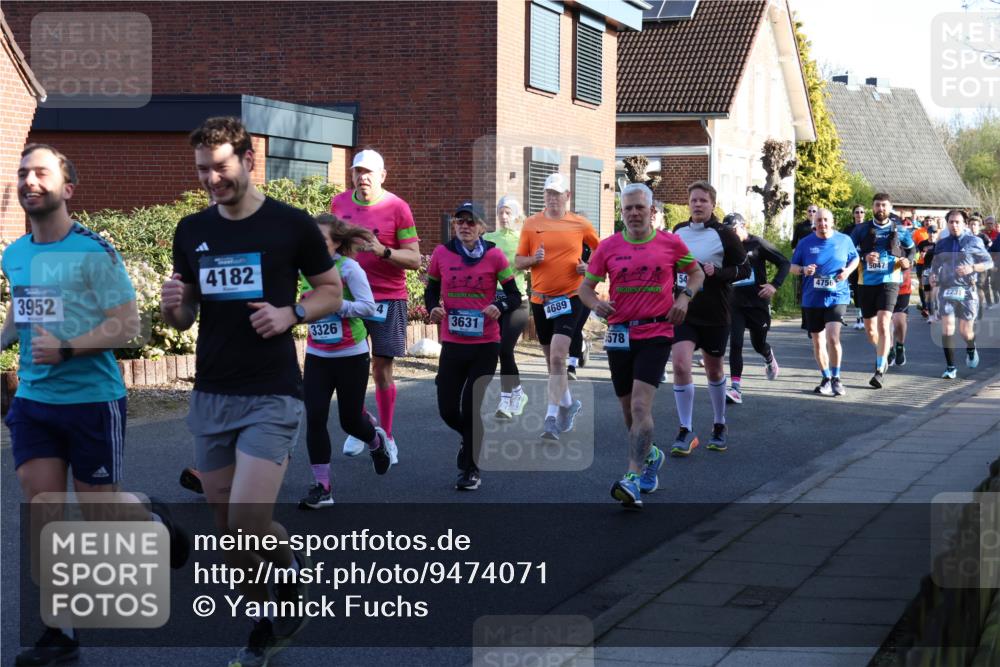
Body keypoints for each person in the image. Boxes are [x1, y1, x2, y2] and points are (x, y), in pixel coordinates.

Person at [161, 117, 344, 667]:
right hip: (213, 392)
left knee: (245, 525)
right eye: (202, 169)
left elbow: (330, 291)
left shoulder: (290, 226)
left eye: (220, 166)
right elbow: (188, 313)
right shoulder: (190, 230)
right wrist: (174, 305)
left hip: (272, 392)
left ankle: (271, 613)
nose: (211, 178)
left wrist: (291, 313)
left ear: (248, 160)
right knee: (234, 538)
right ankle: (275, 598)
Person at [3, 144, 189, 666]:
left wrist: (66, 348)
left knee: (101, 514)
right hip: (35, 402)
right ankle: (59, 631)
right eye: (22, 173)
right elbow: (22, 314)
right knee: (44, 510)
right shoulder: (15, 254)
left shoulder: (93, 252)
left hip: (91, 401)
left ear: (68, 189)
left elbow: (130, 326)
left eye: (41, 172)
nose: (28, 181)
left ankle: (153, 522)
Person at [580, 183, 703, 509]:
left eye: (640, 208)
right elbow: (585, 289)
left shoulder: (670, 243)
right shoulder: (608, 247)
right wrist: (594, 304)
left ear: (651, 212)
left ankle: (632, 478)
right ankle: (651, 456)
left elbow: (696, 274)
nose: (634, 213)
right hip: (620, 333)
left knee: (639, 407)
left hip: (656, 332)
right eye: (628, 208)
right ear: (622, 212)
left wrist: (684, 298)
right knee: (627, 412)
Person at [330, 149, 421, 462]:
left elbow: (414, 259)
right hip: (349, 297)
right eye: (358, 171)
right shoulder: (339, 203)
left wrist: (383, 251)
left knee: (381, 368)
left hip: (386, 297)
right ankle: (362, 427)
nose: (363, 177)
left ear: (382, 175)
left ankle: (388, 434)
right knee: (348, 368)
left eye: (369, 172)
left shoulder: (398, 207)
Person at [426, 201, 522, 489]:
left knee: (470, 406)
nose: (465, 226)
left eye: (471, 222)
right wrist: (432, 307)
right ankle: (472, 437)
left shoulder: (494, 256)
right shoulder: (442, 253)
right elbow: (431, 289)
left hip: (485, 344)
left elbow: (514, 295)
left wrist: (498, 305)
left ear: (482, 227)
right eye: (460, 221)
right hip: (453, 343)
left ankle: (471, 468)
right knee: (446, 409)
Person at [300, 214, 389, 510]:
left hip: (351, 355)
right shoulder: (304, 268)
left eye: (321, 240)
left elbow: (368, 306)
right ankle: (322, 487)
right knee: (314, 417)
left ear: (337, 242)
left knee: (349, 420)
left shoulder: (349, 268)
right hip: (317, 355)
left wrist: (337, 305)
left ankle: (375, 440)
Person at [515, 173, 599, 441]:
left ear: (567, 196)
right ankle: (569, 403)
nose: (552, 198)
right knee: (552, 361)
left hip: (571, 297)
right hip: (541, 300)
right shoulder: (531, 224)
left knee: (558, 357)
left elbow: (603, 251)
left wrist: (590, 268)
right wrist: (532, 259)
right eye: (548, 193)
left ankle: (551, 417)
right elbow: (517, 261)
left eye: (557, 194)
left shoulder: (579, 224)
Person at [668, 181, 749, 455]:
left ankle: (719, 424)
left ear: (712, 204)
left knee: (714, 370)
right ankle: (685, 429)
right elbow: (669, 266)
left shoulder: (725, 234)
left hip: (715, 312)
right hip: (684, 311)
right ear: (688, 203)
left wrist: (718, 273)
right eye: (694, 200)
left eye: (703, 200)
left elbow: (744, 270)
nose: (698, 204)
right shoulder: (678, 231)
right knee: (680, 364)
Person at [850, 193, 916, 389]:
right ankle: (885, 351)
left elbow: (912, 249)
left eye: (884, 206)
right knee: (871, 331)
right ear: (873, 207)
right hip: (867, 281)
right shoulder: (861, 229)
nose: (881, 209)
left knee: (884, 322)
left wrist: (908, 261)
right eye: (877, 205)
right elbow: (849, 250)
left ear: (890, 208)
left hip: (890, 280)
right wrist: (863, 257)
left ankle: (879, 370)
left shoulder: (899, 229)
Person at [721, 213, 789, 404]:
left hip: (758, 303)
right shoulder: (725, 247)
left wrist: (774, 285)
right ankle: (736, 388)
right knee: (735, 343)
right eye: (728, 232)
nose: (731, 235)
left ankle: (768, 356)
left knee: (758, 344)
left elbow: (784, 263)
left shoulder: (757, 244)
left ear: (744, 226)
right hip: (735, 304)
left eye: (734, 231)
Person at [791, 209, 859, 396]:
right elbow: (792, 267)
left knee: (832, 337)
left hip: (838, 295)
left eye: (826, 220)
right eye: (819, 220)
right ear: (814, 223)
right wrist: (804, 269)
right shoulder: (805, 243)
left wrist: (847, 272)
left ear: (832, 221)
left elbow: (855, 258)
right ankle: (826, 377)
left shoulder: (844, 240)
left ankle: (837, 378)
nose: (823, 224)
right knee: (818, 341)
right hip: (812, 298)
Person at [930, 209, 994, 379]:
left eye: (957, 222)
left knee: (965, 332)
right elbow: (935, 265)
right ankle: (950, 368)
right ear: (947, 223)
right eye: (951, 222)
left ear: (964, 224)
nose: (954, 225)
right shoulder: (942, 243)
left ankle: (971, 347)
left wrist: (971, 268)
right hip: (947, 289)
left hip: (967, 290)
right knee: (948, 328)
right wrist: (933, 275)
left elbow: (988, 262)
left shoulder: (974, 241)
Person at [483, 195, 529, 420]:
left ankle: (506, 399)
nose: (503, 216)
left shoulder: (524, 239)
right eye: (501, 211)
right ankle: (518, 392)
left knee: (505, 349)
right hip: (494, 302)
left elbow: (537, 265)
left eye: (508, 212)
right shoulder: (489, 238)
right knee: (494, 350)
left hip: (518, 301)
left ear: (517, 216)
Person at [843, 205, 867, 329]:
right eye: (857, 212)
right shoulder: (848, 229)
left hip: (866, 264)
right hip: (852, 264)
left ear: (865, 214)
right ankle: (859, 319)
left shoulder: (868, 227)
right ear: (853, 214)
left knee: (865, 291)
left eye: (861, 212)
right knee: (857, 293)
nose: (859, 214)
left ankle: (868, 318)